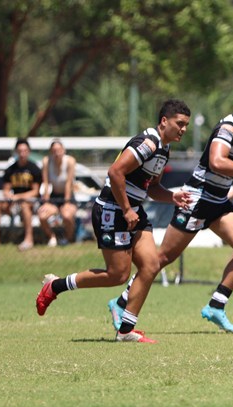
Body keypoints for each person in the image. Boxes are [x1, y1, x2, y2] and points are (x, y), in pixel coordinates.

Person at [108, 88, 233, 335]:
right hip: (198, 198)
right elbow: (217, 161)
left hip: (218, 200)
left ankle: (216, 305)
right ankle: (121, 302)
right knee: (162, 258)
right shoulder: (227, 128)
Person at [35, 99, 193, 342]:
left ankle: (126, 331)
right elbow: (115, 171)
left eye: (186, 125)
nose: (183, 129)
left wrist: (172, 196)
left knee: (151, 266)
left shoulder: (164, 148)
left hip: (133, 210)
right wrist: (127, 209)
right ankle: (55, 287)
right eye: (179, 124)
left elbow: (152, 187)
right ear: (164, 121)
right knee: (118, 275)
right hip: (112, 209)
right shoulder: (148, 142)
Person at [0, 138, 42, 251]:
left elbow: (35, 191)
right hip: (14, 202)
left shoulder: (34, 169)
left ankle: (28, 239)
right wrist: (9, 196)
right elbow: (6, 190)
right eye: (20, 151)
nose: (22, 154)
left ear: (29, 152)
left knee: (25, 205)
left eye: (25, 151)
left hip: (30, 202)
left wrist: (18, 197)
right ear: (16, 152)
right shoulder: (10, 170)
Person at [37, 139, 78, 246]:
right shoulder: (46, 161)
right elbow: (45, 183)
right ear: (51, 151)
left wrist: (67, 202)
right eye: (54, 150)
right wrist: (45, 202)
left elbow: (69, 183)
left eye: (59, 150)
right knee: (42, 215)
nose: (57, 153)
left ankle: (68, 238)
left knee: (67, 215)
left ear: (63, 150)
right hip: (53, 196)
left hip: (67, 196)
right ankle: (52, 237)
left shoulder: (70, 161)